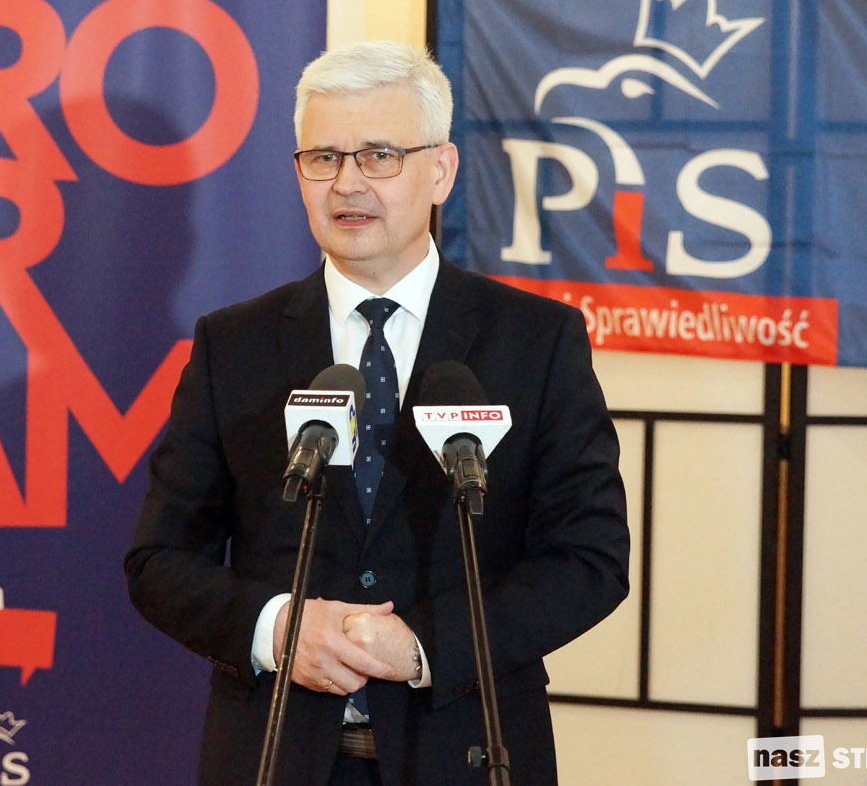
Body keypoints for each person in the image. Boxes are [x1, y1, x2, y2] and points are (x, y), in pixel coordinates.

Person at [125, 39, 630, 785]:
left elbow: (589, 559)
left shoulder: (536, 341)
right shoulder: (234, 344)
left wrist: (423, 644)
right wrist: (277, 629)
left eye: (379, 155)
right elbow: (159, 560)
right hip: (274, 756)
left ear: (441, 170)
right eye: (323, 158)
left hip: (466, 752)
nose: (347, 183)